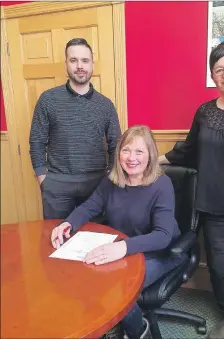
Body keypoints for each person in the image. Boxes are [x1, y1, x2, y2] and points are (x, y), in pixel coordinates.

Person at [159, 40, 224, 339]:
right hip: (212, 208)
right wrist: (154, 159)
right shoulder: (205, 111)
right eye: (219, 69)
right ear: (213, 75)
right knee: (220, 271)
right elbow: (189, 150)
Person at [50, 125, 187, 339]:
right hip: (124, 250)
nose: (131, 158)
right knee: (87, 277)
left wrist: (123, 247)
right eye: (126, 150)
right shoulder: (111, 181)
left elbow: (162, 236)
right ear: (119, 153)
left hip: (162, 252)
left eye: (139, 151)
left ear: (150, 155)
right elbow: (89, 207)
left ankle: (139, 331)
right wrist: (67, 224)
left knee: (117, 290)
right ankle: (109, 325)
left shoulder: (162, 184)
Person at [29, 38, 121, 219]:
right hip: (57, 184)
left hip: (96, 184)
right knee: (55, 238)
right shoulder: (47, 100)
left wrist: (110, 176)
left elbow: (116, 144)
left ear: (92, 64)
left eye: (85, 60)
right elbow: (37, 140)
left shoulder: (105, 105)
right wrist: (42, 177)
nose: (80, 66)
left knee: (94, 238)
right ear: (66, 64)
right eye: (74, 60)